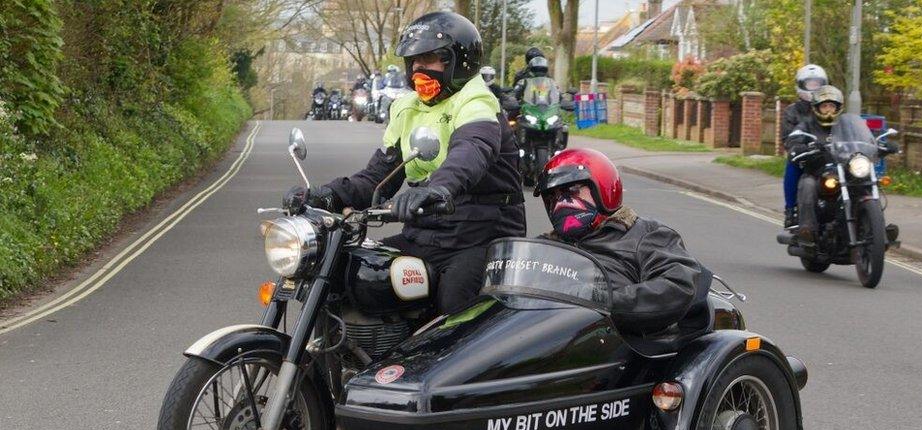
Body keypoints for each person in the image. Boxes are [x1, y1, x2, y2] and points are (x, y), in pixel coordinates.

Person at [284, 11, 525, 315]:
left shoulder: (476, 102)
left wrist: (437, 189)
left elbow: (471, 151)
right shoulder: (406, 108)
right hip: (427, 232)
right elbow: (376, 179)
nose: (419, 70)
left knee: (454, 300)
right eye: (414, 62)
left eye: (431, 60)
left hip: (483, 236)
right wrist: (327, 195)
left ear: (460, 62)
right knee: (355, 274)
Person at [534, 148, 707, 336]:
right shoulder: (544, 246)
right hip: (547, 339)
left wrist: (598, 299)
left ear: (603, 188)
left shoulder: (645, 235)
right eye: (552, 197)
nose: (560, 203)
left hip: (621, 345)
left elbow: (677, 286)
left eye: (571, 191)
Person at [786, 85, 844, 244]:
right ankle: (807, 229)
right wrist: (801, 147)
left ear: (838, 108)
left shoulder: (844, 126)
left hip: (844, 173)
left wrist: (879, 145)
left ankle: (876, 227)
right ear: (817, 108)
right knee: (807, 185)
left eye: (832, 105)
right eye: (825, 106)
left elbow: (861, 139)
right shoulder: (806, 125)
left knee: (865, 184)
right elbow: (794, 141)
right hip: (817, 173)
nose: (829, 110)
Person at [781, 64, 829, 229]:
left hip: (829, 154)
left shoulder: (830, 107)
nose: (814, 88)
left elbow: (844, 127)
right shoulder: (792, 111)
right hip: (807, 154)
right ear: (801, 85)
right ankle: (791, 209)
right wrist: (798, 147)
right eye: (810, 84)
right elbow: (788, 138)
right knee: (792, 164)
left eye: (817, 84)